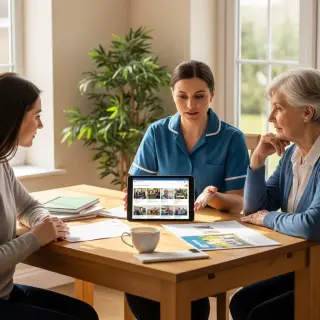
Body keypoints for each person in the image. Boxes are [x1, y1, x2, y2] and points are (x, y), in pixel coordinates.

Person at [124, 60, 250, 320]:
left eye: (199, 96)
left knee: (190, 297)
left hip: (214, 241)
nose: (191, 105)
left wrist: (213, 197)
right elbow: (137, 188)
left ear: (212, 95)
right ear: (173, 95)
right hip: (166, 235)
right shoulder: (156, 133)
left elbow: (240, 202)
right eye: (182, 96)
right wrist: (135, 198)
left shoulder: (231, 138)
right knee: (138, 286)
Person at [0, 73, 99, 320]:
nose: (41, 125)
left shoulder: (2, 164)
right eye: (37, 116)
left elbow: (30, 206)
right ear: (14, 118)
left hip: (5, 292)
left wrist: (46, 222)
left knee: (85, 314)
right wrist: (36, 237)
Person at [230, 67, 320, 320]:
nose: (271, 117)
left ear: (307, 112)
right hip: (304, 265)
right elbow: (254, 208)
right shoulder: (292, 155)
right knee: (241, 302)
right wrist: (257, 160)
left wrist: (267, 218)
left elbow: (312, 224)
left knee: (262, 315)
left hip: (317, 269)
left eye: (279, 108)